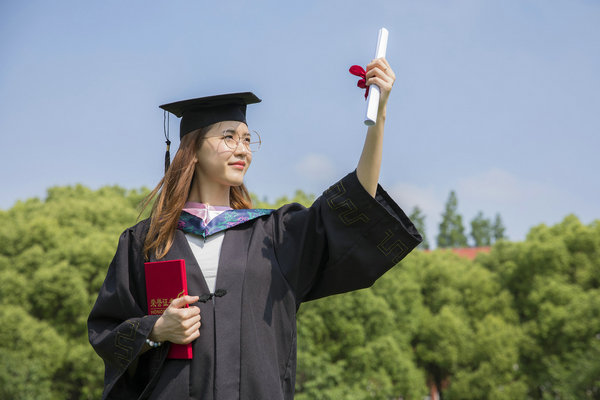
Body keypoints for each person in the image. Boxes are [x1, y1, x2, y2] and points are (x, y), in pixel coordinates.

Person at [88, 57, 422, 400]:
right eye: (229, 137)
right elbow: (106, 330)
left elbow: (353, 204)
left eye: (248, 140)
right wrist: (156, 329)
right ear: (194, 149)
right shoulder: (145, 242)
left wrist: (378, 116)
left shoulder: (274, 235)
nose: (242, 150)